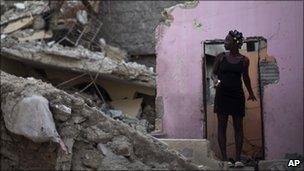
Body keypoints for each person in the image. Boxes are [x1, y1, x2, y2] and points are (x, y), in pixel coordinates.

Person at [211, 30, 257, 168]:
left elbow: (246, 78)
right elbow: (213, 73)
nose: (225, 43)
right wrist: (215, 80)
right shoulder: (221, 57)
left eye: (227, 41)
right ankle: (225, 159)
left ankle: (237, 159)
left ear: (235, 44)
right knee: (222, 126)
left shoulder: (244, 60)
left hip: (237, 96)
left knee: (238, 127)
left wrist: (250, 93)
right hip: (222, 95)